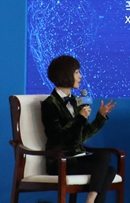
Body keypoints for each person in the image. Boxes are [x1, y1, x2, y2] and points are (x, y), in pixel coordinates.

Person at [41, 55, 117, 203]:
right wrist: (80, 118)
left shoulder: (77, 101)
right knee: (108, 169)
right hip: (60, 160)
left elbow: (82, 136)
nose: (80, 76)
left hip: (77, 157)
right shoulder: (49, 104)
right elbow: (57, 137)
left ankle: (91, 199)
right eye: (76, 72)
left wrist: (100, 117)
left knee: (106, 159)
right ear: (65, 74)